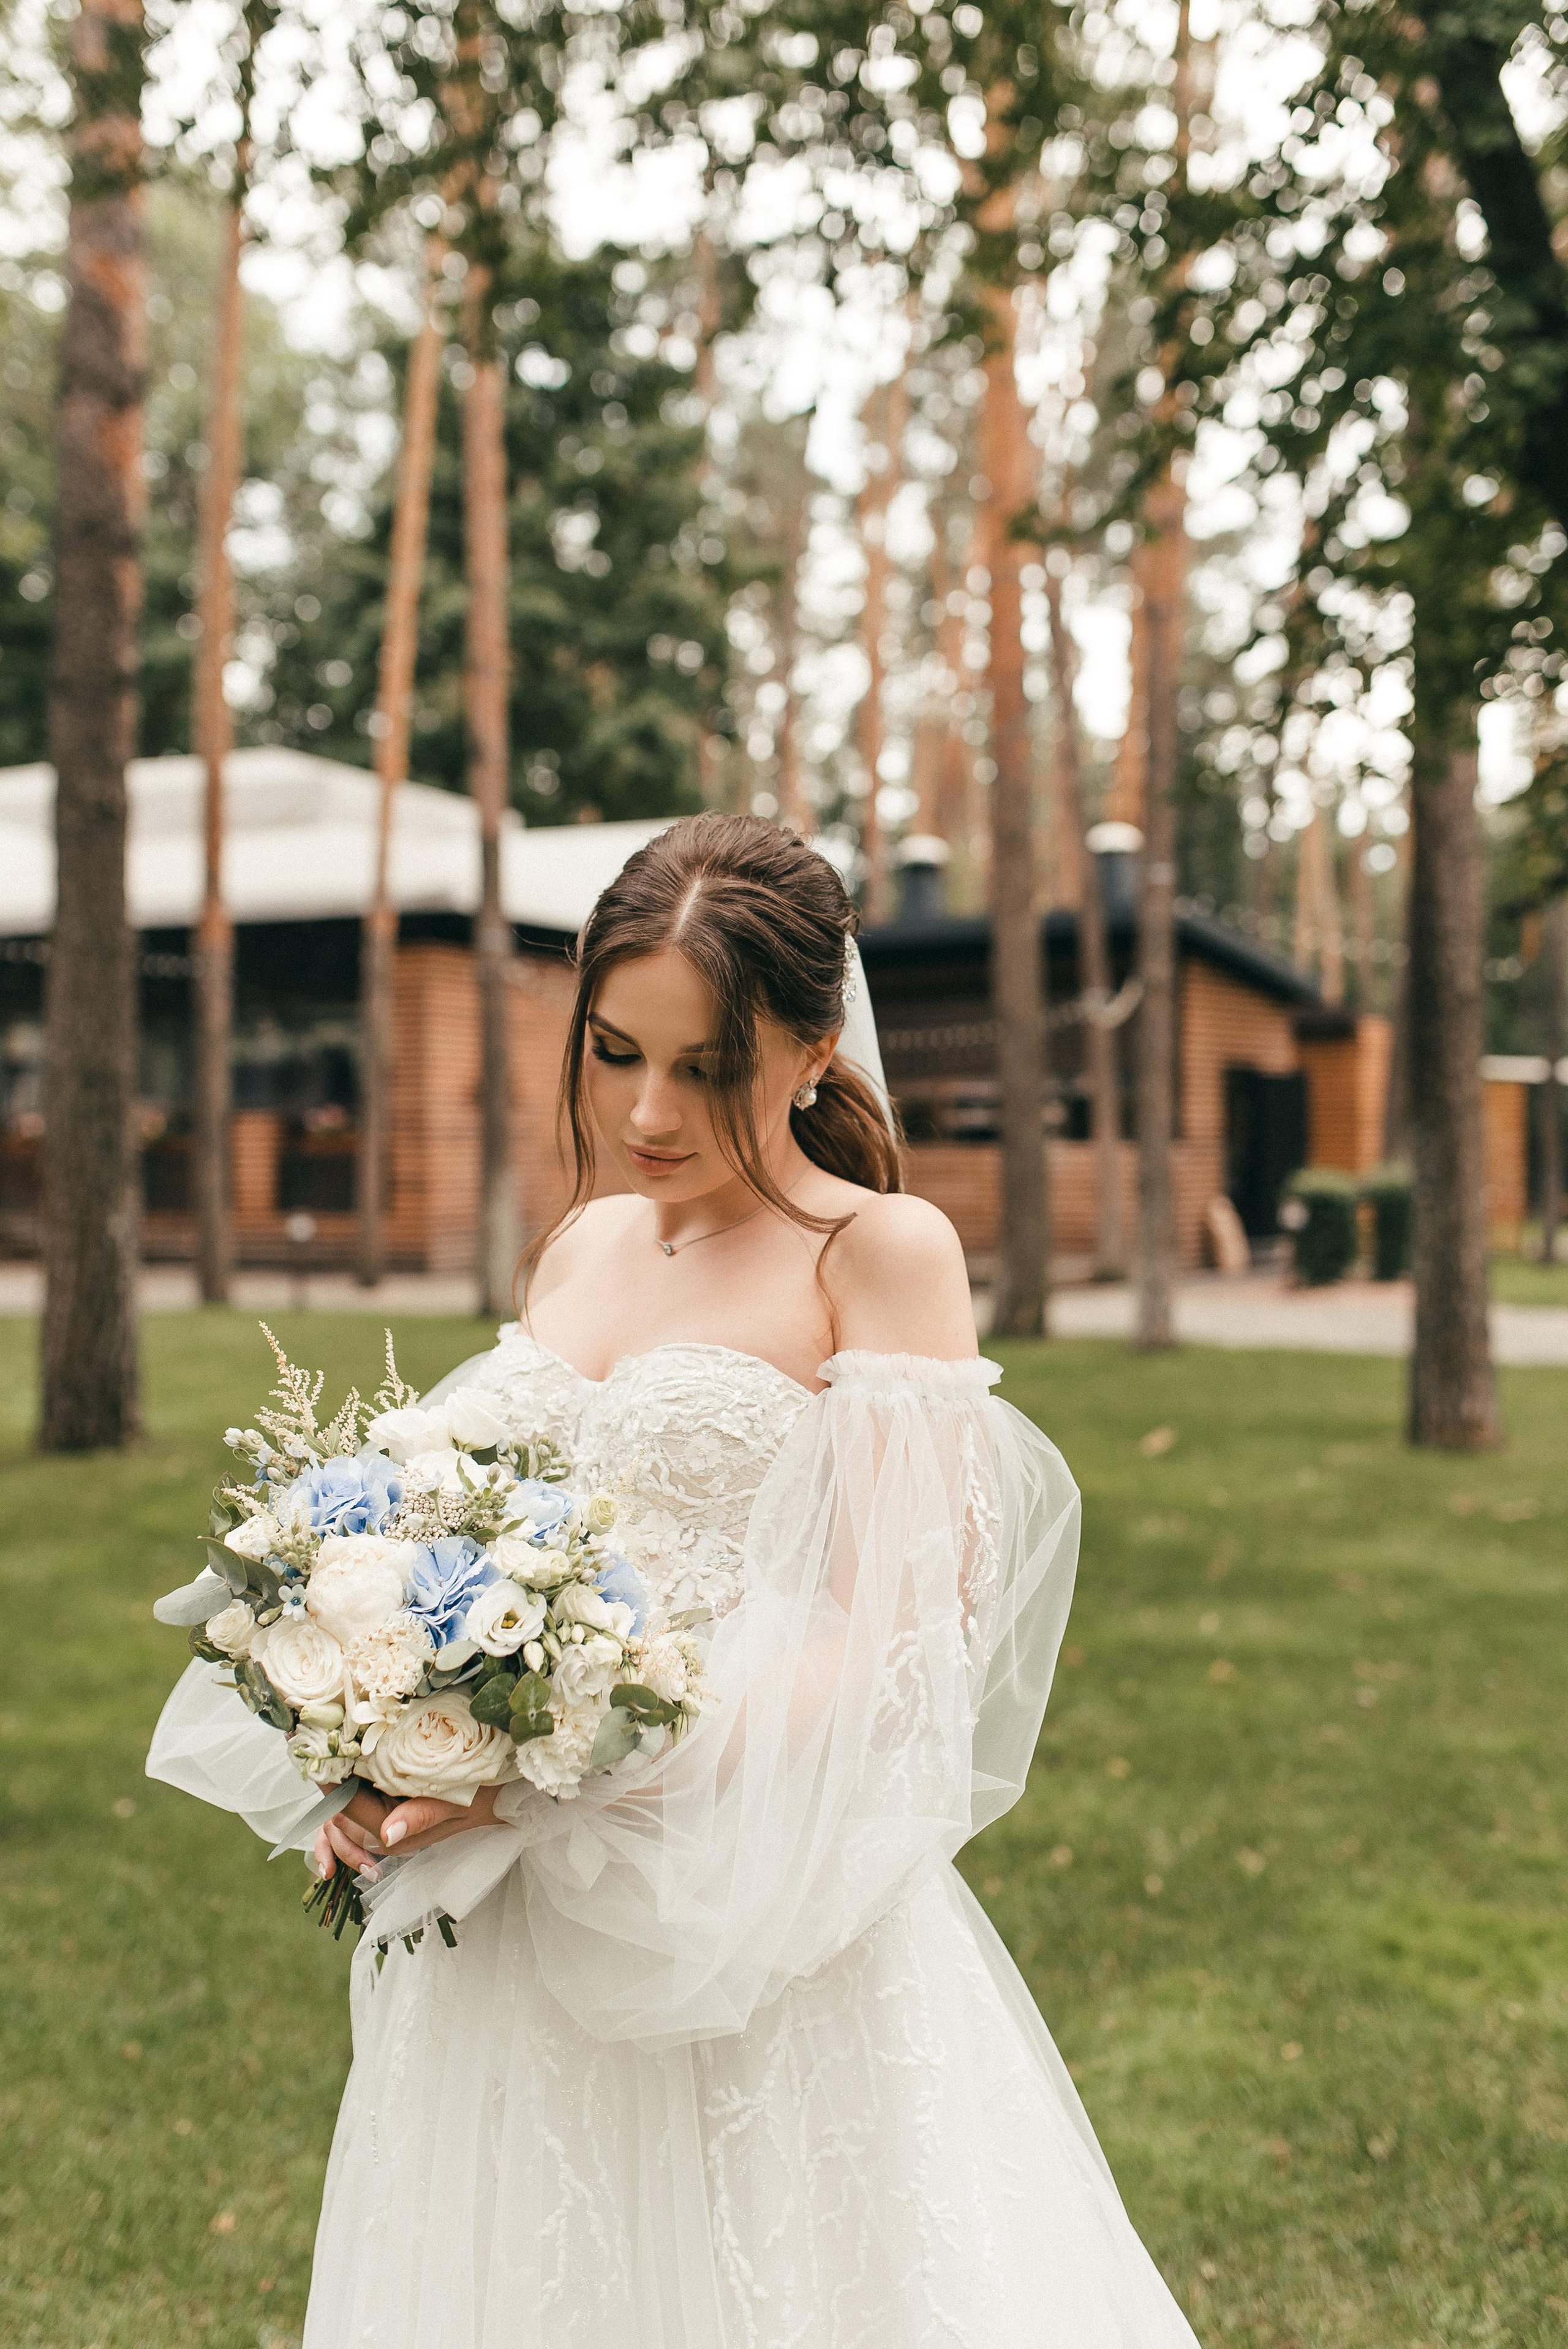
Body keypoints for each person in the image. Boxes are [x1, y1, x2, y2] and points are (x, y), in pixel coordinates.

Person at [149, 813, 1204, 2347]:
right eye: (611, 1049)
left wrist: (555, 1771)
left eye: (704, 1067)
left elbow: (891, 1642)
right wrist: (383, 1738)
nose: (645, 1109)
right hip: (506, 1918)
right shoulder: (579, 1247)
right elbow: (473, 1559)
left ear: (811, 1050)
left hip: (744, 1904)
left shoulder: (877, 1253)